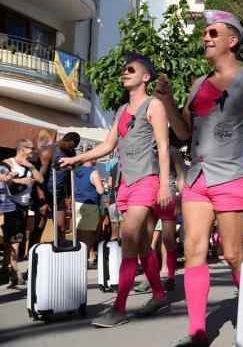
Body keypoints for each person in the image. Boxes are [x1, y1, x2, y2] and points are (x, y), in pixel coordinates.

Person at [155, 10, 243, 346]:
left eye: (213, 33)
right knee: (194, 249)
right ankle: (198, 331)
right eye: (205, 34)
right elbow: (184, 132)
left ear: (232, 40)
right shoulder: (198, 84)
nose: (206, 38)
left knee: (233, 254)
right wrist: (167, 100)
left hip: (231, 177)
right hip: (197, 178)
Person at [60, 52, 172, 327]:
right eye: (124, 70)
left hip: (146, 179)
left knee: (130, 238)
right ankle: (158, 294)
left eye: (131, 70)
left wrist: (164, 184)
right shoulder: (122, 110)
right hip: (125, 184)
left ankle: (119, 307)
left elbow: (163, 145)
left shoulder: (154, 105)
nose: (125, 72)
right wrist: (77, 158)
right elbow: (108, 145)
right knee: (142, 243)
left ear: (145, 76)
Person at [135, 143, 185, 292]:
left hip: (168, 199)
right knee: (146, 241)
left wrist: (180, 201)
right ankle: (148, 278)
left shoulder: (173, 151)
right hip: (149, 197)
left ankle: (170, 277)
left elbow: (182, 176)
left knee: (168, 240)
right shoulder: (146, 149)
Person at [2, 139, 44, 286]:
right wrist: (19, 181)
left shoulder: (30, 164)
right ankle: (13, 273)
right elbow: (1, 177)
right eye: (31, 148)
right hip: (12, 205)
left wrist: (31, 167)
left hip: (23, 206)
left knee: (10, 239)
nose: (33, 151)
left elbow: (40, 179)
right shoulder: (8, 162)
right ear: (22, 149)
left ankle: (4, 270)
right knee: (16, 240)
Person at [36, 132, 80, 241]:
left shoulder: (71, 153)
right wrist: (42, 201)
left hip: (59, 194)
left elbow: (68, 175)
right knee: (40, 223)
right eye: (70, 146)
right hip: (45, 193)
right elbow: (39, 179)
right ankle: (32, 251)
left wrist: (70, 194)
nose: (70, 150)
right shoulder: (49, 151)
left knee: (61, 226)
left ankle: (60, 249)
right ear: (65, 140)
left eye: (73, 148)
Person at [74, 146, 105, 267]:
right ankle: (83, 262)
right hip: (90, 205)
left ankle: (77, 258)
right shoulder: (94, 172)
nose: (96, 159)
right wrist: (104, 187)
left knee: (79, 234)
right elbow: (100, 190)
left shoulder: (78, 171)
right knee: (88, 236)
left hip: (78, 204)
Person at [107, 159, 122, 240]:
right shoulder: (126, 166)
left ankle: (112, 251)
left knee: (114, 234)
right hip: (122, 202)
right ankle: (121, 252)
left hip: (112, 201)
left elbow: (109, 184)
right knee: (122, 234)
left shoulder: (115, 165)